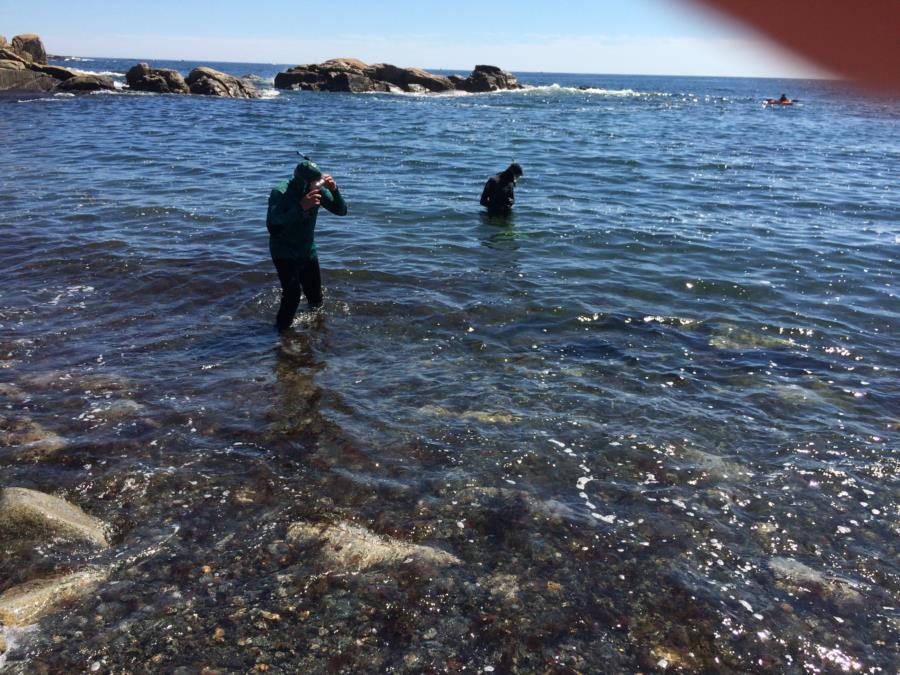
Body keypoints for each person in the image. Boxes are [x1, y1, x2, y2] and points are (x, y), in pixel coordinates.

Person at [267, 157, 347, 331]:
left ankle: (316, 333)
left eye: (319, 181)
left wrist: (335, 191)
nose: (318, 185)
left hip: (307, 249)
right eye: (315, 182)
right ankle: (281, 336)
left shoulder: (317, 190)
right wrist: (300, 207)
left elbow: (341, 211)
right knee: (292, 296)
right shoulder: (280, 192)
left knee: (316, 297)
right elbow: (273, 227)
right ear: (303, 183)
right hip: (283, 251)